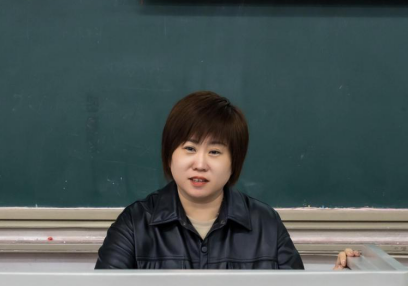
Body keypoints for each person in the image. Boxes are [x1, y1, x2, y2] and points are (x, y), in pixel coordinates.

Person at [95, 91, 359, 270]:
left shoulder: (265, 224)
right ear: (169, 154)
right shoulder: (135, 224)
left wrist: (337, 285)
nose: (200, 163)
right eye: (189, 148)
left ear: (234, 162)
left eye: (215, 152)